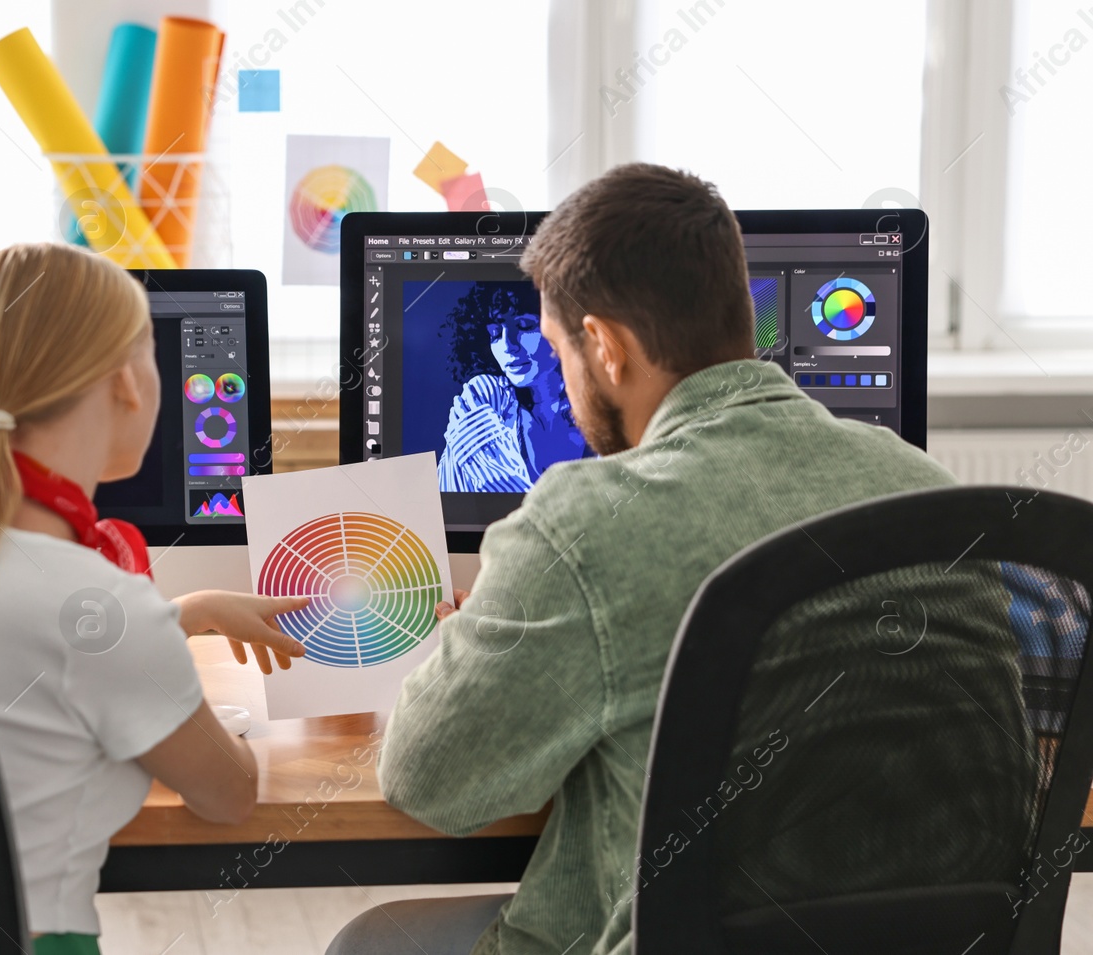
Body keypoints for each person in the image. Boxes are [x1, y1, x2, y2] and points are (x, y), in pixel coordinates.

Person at [329, 164, 1015, 955]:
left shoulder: (580, 523)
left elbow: (427, 781)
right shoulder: (927, 488)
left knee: (372, 942)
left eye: (559, 353)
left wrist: (464, 644)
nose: (558, 378)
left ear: (607, 349)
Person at [0, 242, 307, 955]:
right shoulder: (106, 609)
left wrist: (182, 616)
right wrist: (170, 691)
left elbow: (14, 633)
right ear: (127, 383)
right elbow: (229, 795)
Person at [436, 283, 589, 492]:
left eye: (525, 326)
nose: (508, 346)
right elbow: (492, 490)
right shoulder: (485, 395)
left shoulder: (602, 410)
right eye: (495, 333)